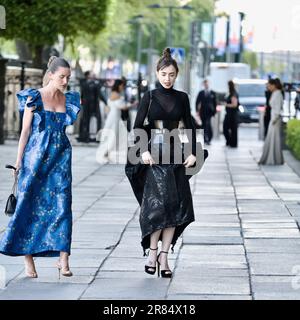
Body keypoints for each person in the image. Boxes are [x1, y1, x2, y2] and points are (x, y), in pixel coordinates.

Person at [0, 56, 80, 278]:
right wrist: (18, 162)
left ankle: (63, 260)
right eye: (62, 77)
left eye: (68, 77)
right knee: (29, 207)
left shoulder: (70, 100)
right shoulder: (33, 98)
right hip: (34, 161)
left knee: (63, 207)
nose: (65, 81)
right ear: (51, 74)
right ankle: (29, 261)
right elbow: (24, 132)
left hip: (61, 160)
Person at [126, 48, 197, 278]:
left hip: (176, 154)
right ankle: (152, 252)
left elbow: (190, 126)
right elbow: (137, 127)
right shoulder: (149, 96)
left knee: (175, 208)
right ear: (157, 73)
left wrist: (193, 152)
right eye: (164, 74)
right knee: (156, 208)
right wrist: (143, 151)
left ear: (177, 75)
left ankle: (165, 257)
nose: (168, 78)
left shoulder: (182, 97)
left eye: (172, 74)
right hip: (154, 156)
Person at [96, 79, 133, 164]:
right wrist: (132, 104)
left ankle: (109, 152)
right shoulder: (117, 95)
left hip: (112, 116)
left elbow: (109, 106)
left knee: (113, 134)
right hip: (115, 117)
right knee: (114, 135)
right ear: (119, 85)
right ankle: (109, 152)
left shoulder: (111, 93)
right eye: (122, 85)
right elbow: (122, 106)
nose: (123, 87)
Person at [259, 78, 284, 165]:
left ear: (274, 85)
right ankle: (272, 158)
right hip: (273, 118)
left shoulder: (278, 94)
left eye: (269, 86)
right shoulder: (275, 93)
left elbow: (278, 108)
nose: (268, 87)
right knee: (272, 138)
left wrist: (274, 119)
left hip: (274, 120)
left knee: (274, 139)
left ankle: (274, 158)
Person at [77, 71, 104, 143]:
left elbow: (100, 86)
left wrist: (96, 79)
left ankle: (96, 137)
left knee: (97, 121)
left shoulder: (95, 83)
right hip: (86, 105)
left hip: (94, 104)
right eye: (91, 75)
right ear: (87, 76)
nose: (93, 76)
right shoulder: (84, 83)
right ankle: (85, 137)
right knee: (85, 121)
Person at [195, 79, 217, 145]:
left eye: (207, 83)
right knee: (204, 125)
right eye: (205, 84)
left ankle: (209, 138)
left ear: (209, 84)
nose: (206, 85)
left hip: (209, 112)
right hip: (203, 112)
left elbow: (215, 103)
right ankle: (205, 139)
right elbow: (197, 102)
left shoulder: (212, 93)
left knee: (208, 124)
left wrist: (214, 112)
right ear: (203, 85)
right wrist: (197, 111)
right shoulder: (201, 93)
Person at [223, 80, 239, 148]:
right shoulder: (231, 93)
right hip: (230, 113)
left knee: (228, 128)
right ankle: (230, 142)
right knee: (230, 128)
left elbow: (234, 104)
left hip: (232, 114)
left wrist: (226, 104)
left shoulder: (233, 93)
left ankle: (231, 142)